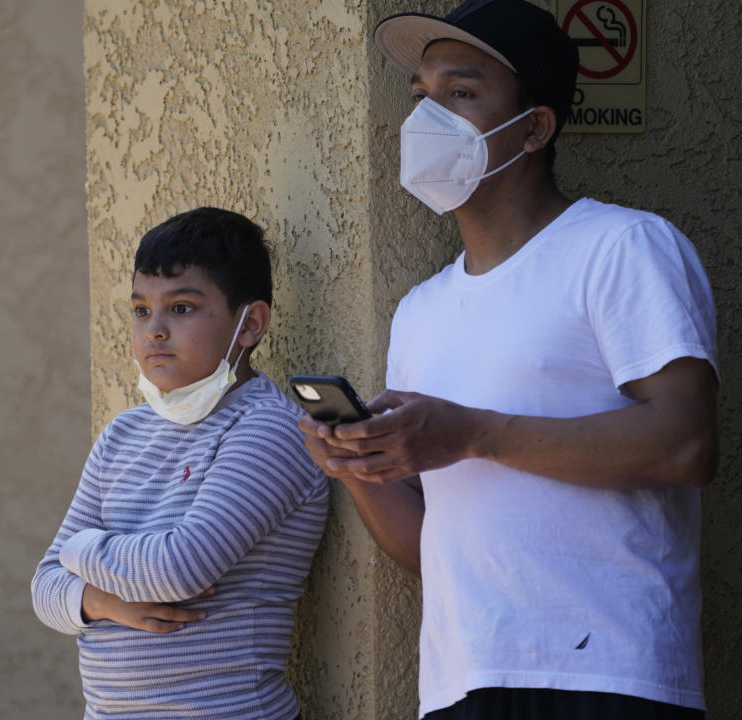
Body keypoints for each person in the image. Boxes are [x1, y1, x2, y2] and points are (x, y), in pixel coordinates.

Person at [299, 1, 719, 718]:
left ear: (534, 128)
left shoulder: (622, 248)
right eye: (422, 97)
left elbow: (686, 444)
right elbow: (431, 542)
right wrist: (354, 468)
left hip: (611, 674)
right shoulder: (420, 311)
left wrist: (474, 433)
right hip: (464, 679)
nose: (429, 118)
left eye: (461, 93)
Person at [32, 207, 328, 720]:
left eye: (183, 308)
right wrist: (104, 603)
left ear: (250, 324)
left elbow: (179, 567)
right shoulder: (123, 433)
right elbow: (43, 587)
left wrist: (78, 550)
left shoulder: (267, 429)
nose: (156, 331)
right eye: (141, 310)